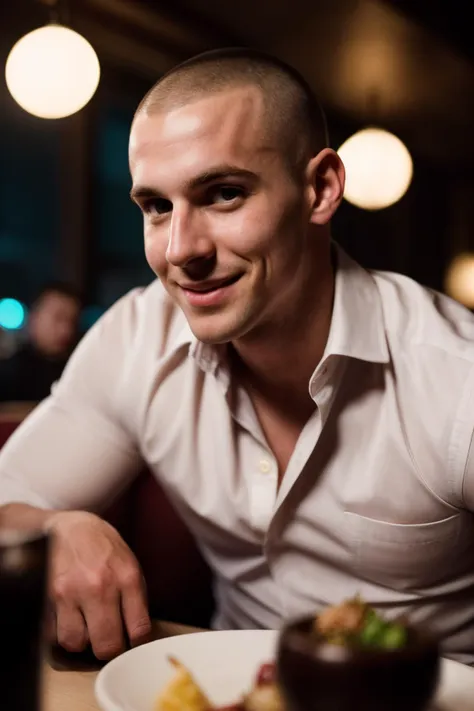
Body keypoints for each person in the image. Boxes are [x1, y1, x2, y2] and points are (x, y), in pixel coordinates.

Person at [1, 48, 474, 665]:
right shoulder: (139, 337)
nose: (180, 250)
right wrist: (50, 529)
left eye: (223, 194)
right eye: (156, 207)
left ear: (321, 189)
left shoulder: (452, 374)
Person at [0, 281, 81, 403]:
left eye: (72, 321)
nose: (66, 330)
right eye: (58, 318)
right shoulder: (8, 375)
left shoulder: (77, 374)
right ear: (34, 318)